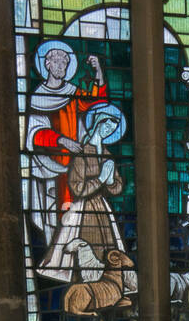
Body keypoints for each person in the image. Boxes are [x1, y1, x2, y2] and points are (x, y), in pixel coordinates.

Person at [25, 42, 109, 246]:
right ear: (47, 65)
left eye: (65, 63)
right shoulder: (38, 97)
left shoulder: (72, 92)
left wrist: (98, 71)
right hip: (49, 167)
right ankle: (57, 256)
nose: (61, 66)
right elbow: (35, 133)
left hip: (74, 166)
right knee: (54, 218)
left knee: (76, 217)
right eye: (57, 62)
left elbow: (97, 102)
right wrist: (62, 140)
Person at [38, 104, 128, 282]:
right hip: (83, 209)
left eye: (112, 129)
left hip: (102, 208)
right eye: (107, 126)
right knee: (83, 244)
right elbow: (77, 188)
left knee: (107, 246)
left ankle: (106, 281)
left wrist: (111, 181)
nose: (108, 131)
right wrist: (100, 180)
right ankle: (84, 281)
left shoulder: (107, 155)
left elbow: (117, 186)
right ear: (98, 122)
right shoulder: (82, 154)